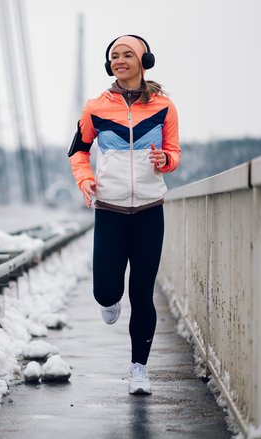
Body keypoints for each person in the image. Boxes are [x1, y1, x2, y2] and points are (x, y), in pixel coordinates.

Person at [68, 34, 181, 395]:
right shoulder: (95, 108)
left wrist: (167, 160)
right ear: (109, 64)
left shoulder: (164, 107)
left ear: (144, 61)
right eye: (114, 55)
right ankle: (107, 298)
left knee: (142, 292)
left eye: (127, 54)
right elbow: (78, 152)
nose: (120, 60)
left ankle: (138, 369)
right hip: (110, 210)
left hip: (149, 209)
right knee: (106, 290)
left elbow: (174, 152)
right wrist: (85, 179)